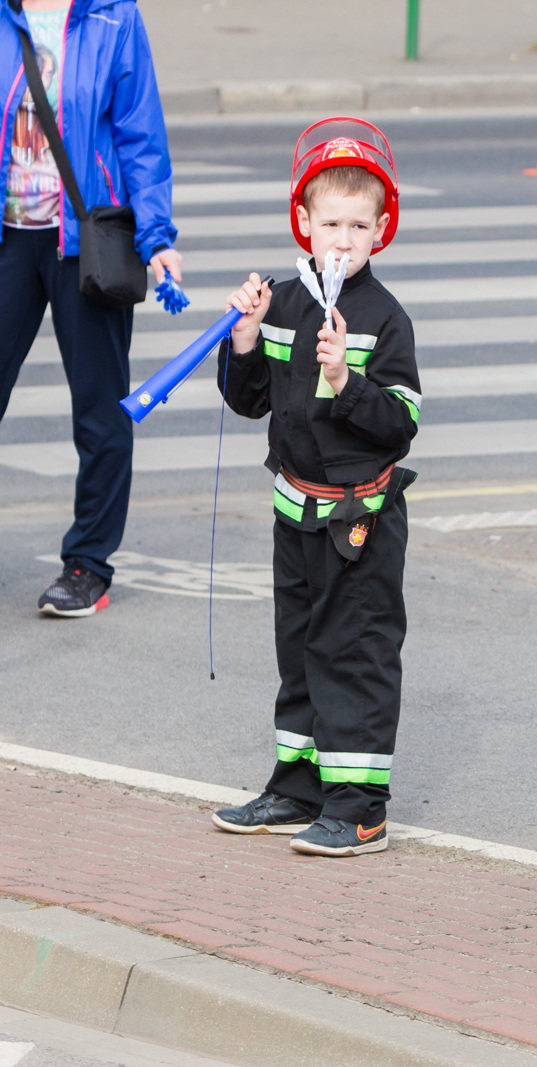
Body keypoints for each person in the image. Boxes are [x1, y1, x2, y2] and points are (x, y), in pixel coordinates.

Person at [208, 118, 421, 858]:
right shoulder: (286, 301)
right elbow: (252, 400)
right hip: (294, 514)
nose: (342, 237)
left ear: (379, 230)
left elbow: (400, 423)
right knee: (298, 650)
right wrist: (242, 340)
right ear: (303, 221)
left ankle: (359, 806)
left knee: (352, 651)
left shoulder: (384, 318)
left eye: (358, 224)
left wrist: (344, 379)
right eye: (329, 221)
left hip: (357, 522)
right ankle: (297, 785)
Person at [0, 0, 181, 616]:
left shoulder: (114, 17)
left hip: (87, 239)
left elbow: (140, 133)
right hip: (7, 238)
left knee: (101, 412)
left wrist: (157, 239)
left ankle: (88, 563)